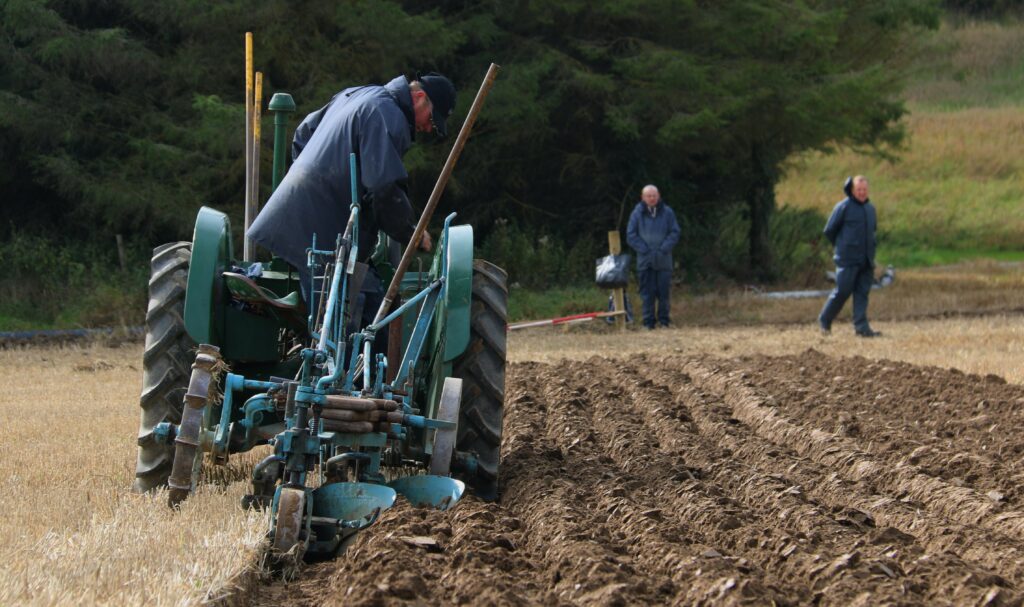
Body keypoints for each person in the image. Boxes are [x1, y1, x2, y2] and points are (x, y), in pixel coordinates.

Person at [248, 72, 456, 323]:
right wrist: (411, 233)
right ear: (420, 97)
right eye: (432, 121)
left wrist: (313, 183)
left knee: (358, 306)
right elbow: (383, 188)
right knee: (354, 319)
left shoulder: (357, 94)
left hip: (298, 218)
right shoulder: (388, 116)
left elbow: (303, 134)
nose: (426, 129)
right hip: (322, 233)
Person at [818, 175, 881, 337]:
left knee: (862, 293)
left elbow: (873, 232)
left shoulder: (870, 209)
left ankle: (862, 328)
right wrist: (843, 247)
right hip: (847, 260)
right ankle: (825, 320)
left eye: (864, 190)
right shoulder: (843, 207)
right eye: (859, 189)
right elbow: (829, 230)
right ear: (852, 190)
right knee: (843, 291)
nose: (862, 193)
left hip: (866, 260)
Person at [626, 184, 681, 329]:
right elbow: (631, 235)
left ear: (659, 196)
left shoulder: (668, 212)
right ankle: (648, 322)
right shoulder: (637, 213)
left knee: (663, 293)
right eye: (648, 196)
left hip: (664, 260)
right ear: (643, 197)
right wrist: (644, 250)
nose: (652, 198)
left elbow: (675, 233)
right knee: (647, 293)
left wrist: (663, 249)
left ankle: (664, 321)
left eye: (654, 195)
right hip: (645, 261)